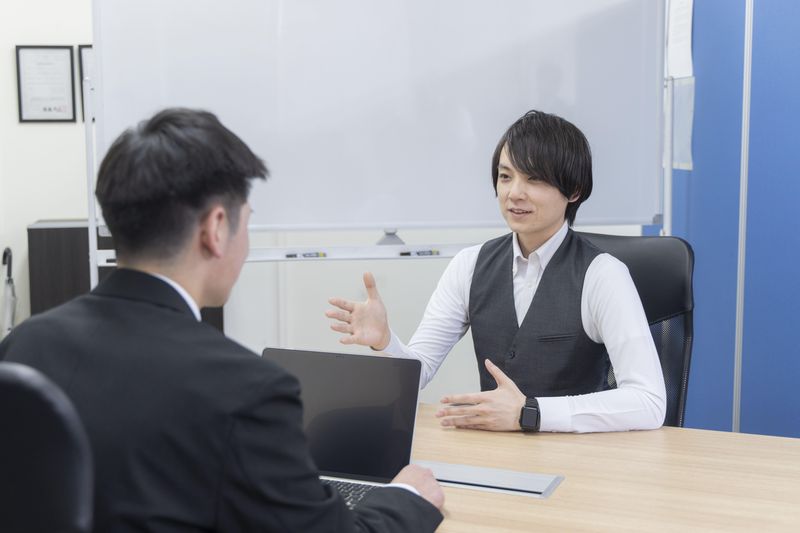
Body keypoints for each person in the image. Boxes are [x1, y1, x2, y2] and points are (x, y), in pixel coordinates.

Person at [0, 108, 443, 532]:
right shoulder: (246, 390)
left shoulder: (25, 345)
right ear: (215, 229)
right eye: (246, 222)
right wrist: (407, 498)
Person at [327, 110, 666, 434]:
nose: (513, 193)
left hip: (577, 459)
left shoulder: (603, 275)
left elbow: (648, 400)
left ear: (573, 191)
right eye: (506, 176)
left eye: (533, 179)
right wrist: (385, 344)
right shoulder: (469, 265)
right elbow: (417, 372)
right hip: (494, 457)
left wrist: (529, 413)